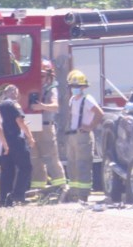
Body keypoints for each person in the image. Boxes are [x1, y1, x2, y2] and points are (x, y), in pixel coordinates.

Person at [63, 70, 104, 203]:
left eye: (76, 87)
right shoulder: (72, 100)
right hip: (73, 136)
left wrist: (90, 127)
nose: (74, 89)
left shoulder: (88, 100)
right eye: (72, 87)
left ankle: (83, 195)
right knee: (72, 165)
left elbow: (99, 113)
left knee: (83, 166)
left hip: (83, 137)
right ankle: (74, 194)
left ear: (83, 87)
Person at [29, 60, 68, 196]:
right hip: (33, 128)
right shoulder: (35, 89)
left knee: (51, 158)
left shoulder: (52, 89)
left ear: (49, 76)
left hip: (45, 128)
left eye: (42, 76)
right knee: (36, 160)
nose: (40, 79)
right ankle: (38, 189)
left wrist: (42, 107)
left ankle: (61, 188)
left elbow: (55, 106)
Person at [0, 84, 37, 207]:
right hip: (16, 140)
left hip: (4, 142)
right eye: (17, 92)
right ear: (13, 92)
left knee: (7, 170)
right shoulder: (13, 104)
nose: (17, 95)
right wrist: (30, 137)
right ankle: (18, 194)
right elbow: (20, 121)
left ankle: (4, 199)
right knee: (26, 167)